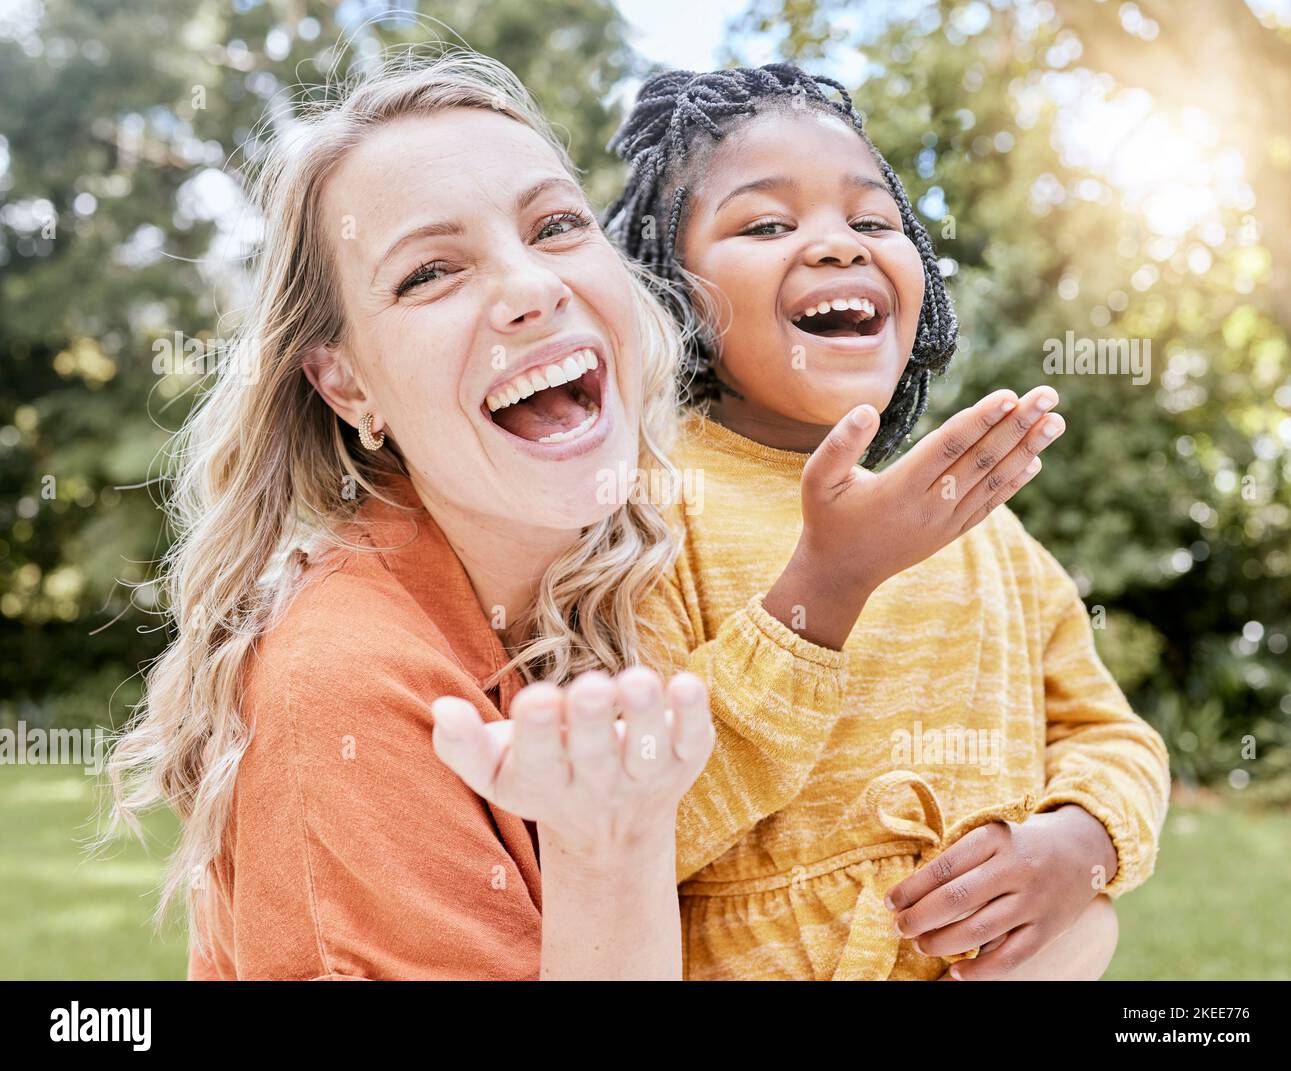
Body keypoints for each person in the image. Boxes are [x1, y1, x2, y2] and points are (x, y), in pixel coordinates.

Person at [102, 49, 714, 981]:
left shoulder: (642, 569)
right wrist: (610, 850)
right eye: (430, 273)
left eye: (555, 224)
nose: (532, 289)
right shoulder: (347, 681)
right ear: (346, 383)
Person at [606, 63, 1172, 981]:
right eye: (767, 224)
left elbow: (1110, 734)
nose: (839, 246)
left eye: (873, 221)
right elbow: (629, 831)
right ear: (672, 292)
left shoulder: (980, 525)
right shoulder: (645, 509)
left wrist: (1084, 841)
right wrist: (821, 594)